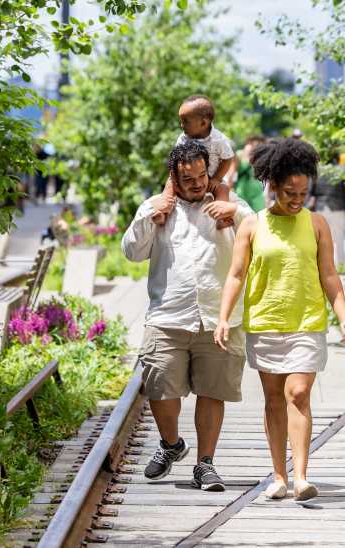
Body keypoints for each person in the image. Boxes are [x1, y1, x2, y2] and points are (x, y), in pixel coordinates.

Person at [213, 138, 345, 501]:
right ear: (272, 185)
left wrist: (344, 317)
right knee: (274, 400)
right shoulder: (252, 226)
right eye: (290, 191)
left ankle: (301, 476)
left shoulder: (317, 224)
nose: (297, 199)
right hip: (265, 322)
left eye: (303, 192)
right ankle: (279, 475)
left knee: (299, 392)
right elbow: (236, 275)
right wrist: (224, 317)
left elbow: (329, 276)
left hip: (307, 322)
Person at [121, 141, 253, 491]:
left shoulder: (230, 203)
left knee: (213, 391)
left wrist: (234, 212)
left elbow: (258, 233)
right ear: (174, 179)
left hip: (218, 318)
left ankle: (205, 464)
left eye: (200, 175)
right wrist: (152, 215)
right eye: (187, 178)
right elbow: (132, 252)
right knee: (159, 388)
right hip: (168, 317)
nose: (196, 183)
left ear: (208, 172)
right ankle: (171, 444)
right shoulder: (157, 207)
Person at [152, 95, 236, 229]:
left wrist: (216, 178)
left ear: (203, 123)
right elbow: (175, 158)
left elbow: (228, 158)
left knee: (223, 189)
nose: (181, 125)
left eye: (185, 121)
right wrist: (175, 178)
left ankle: (221, 217)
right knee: (169, 185)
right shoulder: (183, 138)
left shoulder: (218, 140)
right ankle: (163, 212)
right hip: (186, 176)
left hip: (211, 177)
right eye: (181, 120)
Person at [308, 160, 345, 266]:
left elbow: (311, 191)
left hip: (320, 207)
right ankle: (341, 264)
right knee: (339, 238)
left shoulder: (317, 170)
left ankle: (320, 263)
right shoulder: (341, 170)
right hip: (337, 207)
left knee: (320, 238)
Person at [231, 135, 267, 212]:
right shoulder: (239, 155)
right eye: (254, 144)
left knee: (258, 219)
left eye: (259, 145)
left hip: (257, 194)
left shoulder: (261, 158)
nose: (256, 147)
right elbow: (232, 173)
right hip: (241, 194)